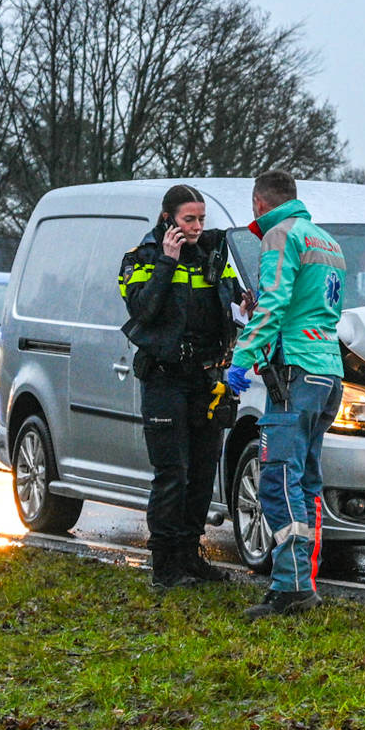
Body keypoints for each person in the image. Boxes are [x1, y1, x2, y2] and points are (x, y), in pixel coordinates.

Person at [225, 169, 346, 618]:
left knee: (277, 479)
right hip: (327, 372)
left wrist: (242, 356)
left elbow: (275, 304)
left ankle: (290, 587)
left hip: (295, 373)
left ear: (259, 203)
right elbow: (313, 307)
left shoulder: (280, 235)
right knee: (306, 482)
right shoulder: (326, 242)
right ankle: (304, 580)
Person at [118, 184, 249, 590]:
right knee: (172, 472)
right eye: (188, 219)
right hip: (164, 378)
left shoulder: (213, 255)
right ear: (167, 219)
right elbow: (143, 309)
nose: (196, 227)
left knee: (202, 472)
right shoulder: (140, 259)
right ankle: (165, 565)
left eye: (201, 219)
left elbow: (231, 301)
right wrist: (167, 261)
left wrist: (243, 307)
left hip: (206, 378)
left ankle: (191, 555)